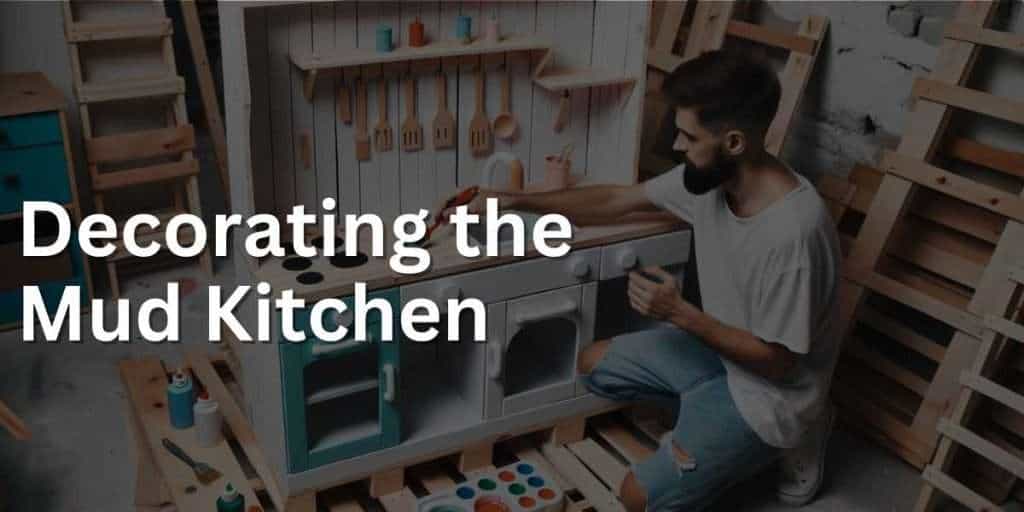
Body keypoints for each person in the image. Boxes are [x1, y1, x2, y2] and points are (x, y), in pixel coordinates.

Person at [440, 50, 842, 511]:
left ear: (733, 142)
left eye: (689, 136)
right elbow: (617, 200)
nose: (676, 145)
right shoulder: (712, 179)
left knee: (637, 499)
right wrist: (511, 200)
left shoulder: (793, 234)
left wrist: (679, 314)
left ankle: (799, 435)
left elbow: (779, 364)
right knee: (594, 363)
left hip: (772, 397)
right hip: (720, 357)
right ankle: (703, 417)